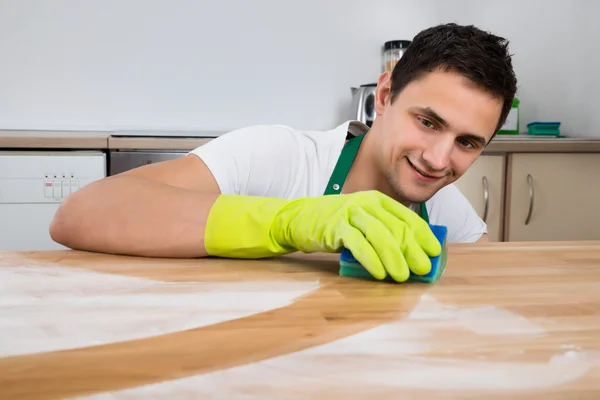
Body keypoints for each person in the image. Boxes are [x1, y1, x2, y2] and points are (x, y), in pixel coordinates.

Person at [49, 23, 517, 282]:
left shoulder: (445, 210)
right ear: (386, 94)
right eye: (428, 122)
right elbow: (80, 214)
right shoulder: (277, 155)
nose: (439, 159)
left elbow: (496, 292)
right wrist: (291, 222)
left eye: (467, 142)